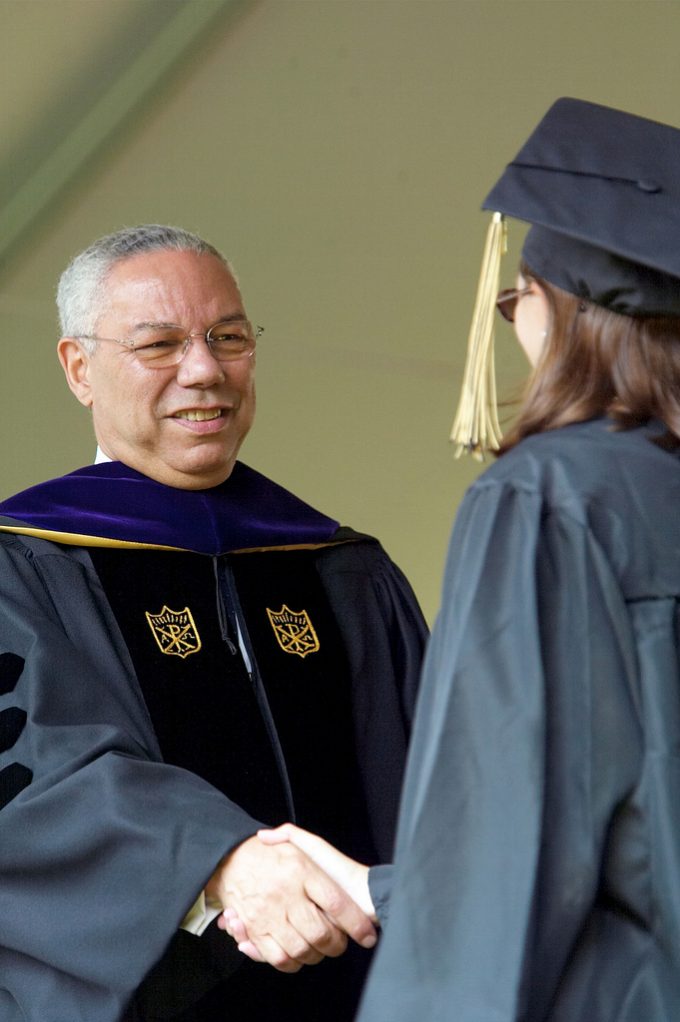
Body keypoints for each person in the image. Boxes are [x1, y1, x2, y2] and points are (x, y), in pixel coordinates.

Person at [234, 98, 680, 1021]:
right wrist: (386, 890)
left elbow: (520, 825)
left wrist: (406, 915)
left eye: (518, 301)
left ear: (556, 310)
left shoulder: (552, 497)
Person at [0, 224, 428, 1022]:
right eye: (158, 344)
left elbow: (431, 790)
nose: (203, 371)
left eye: (227, 337)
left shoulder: (342, 569)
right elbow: (34, 788)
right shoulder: (22, 571)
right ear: (78, 368)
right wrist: (212, 860)